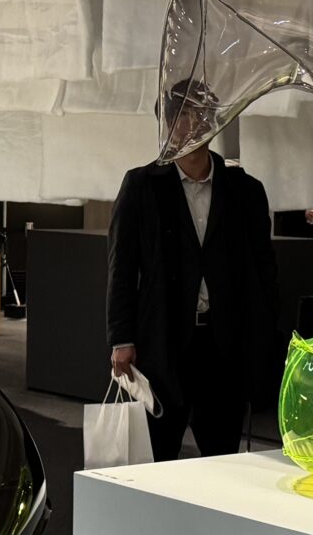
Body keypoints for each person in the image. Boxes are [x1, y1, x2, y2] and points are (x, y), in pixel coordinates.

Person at [105, 86, 280, 462]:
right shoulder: (142, 186)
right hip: (162, 341)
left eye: (204, 112)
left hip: (224, 343)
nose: (196, 122)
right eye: (184, 113)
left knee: (222, 456)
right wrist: (121, 338)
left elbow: (264, 272)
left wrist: (265, 339)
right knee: (158, 457)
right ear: (167, 124)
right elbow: (122, 268)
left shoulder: (245, 190)